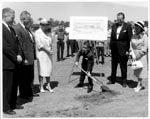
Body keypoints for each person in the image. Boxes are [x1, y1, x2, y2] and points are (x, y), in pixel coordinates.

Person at [2, 8, 23, 115]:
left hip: (14, 61)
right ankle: (5, 107)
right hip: (7, 62)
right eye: (12, 16)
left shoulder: (11, 29)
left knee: (14, 85)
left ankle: (13, 103)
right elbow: (5, 47)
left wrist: (19, 53)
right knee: (7, 86)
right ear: (5, 16)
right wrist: (16, 57)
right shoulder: (1, 29)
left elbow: (17, 44)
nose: (14, 18)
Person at [13, 11, 38, 100]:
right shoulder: (17, 28)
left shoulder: (26, 28)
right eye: (28, 18)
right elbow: (19, 45)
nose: (30, 20)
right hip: (25, 58)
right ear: (23, 19)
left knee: (30, 76)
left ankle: (30, 92)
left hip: (30, 57)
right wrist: (24, 58)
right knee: (24, 77)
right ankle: (24, 94)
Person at [107, 12, 132, 87]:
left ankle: (124, 81)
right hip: (114, 49)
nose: (119, 21)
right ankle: (112, 79)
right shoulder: (114, 26)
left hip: (123, 50)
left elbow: (129, 39)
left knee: (123, 66)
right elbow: (112, 38)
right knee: (113, 65)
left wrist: (128, 50)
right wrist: (110, 48)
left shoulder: (128, 26)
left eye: (120, 19)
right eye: (118, 19)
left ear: (123, 19)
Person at [35, 18, 54, 93]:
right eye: (44, 25)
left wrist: (51, 49)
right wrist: (48, 50)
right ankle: (41, 86)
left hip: (49, 54)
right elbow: (39, 45)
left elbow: (51, 43)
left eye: (46, 25)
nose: (45, 26)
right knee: (42, 70)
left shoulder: (48, 32)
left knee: (48, 69)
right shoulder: (37, 32)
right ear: (41, 25)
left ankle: (48, 85)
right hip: (41, 54)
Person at [130, 21, 148, 92]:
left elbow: (145, 47)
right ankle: (140, 84)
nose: (136, 28)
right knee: (137, 70)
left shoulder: (144, 36)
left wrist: (138, 55)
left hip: (141, 56)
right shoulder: (133, 35)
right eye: (135, 27)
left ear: (141, 28)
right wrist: (132, 53)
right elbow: (131, 45)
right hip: (134, 55)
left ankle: (139, 85)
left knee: (141, 71)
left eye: (137, 27)